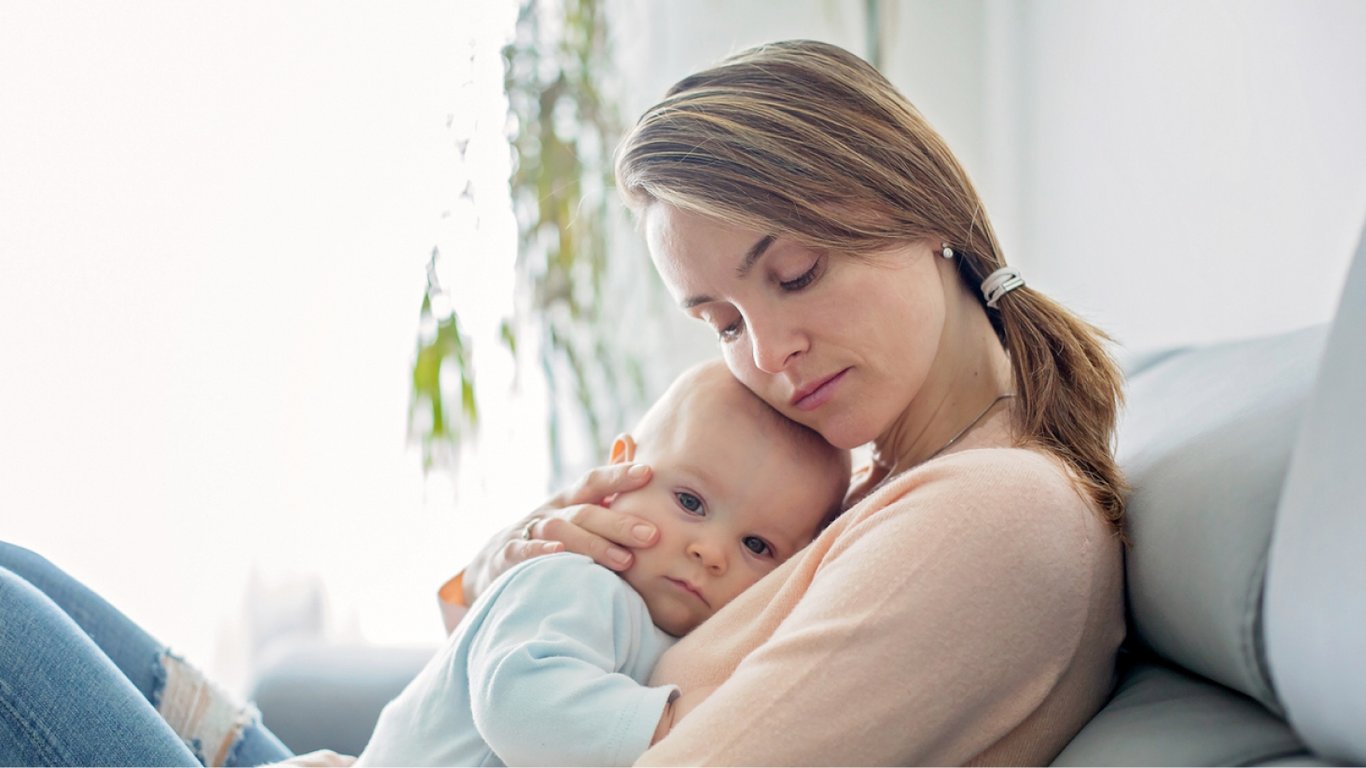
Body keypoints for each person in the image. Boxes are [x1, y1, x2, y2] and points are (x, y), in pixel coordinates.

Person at [450, 39, 1128, 765]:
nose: (768, 357)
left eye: (797, 274)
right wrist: (511, 569)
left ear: (920, 204)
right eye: (726, 325)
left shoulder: (995, 513)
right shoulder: (860, 493)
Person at [354, 360, 848, 766]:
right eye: (690, 503)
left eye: (757, 546)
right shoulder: (573, 580)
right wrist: (669, 725)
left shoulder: (691, 633)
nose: (711, 552)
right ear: (618, 472)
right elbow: (517, 704)